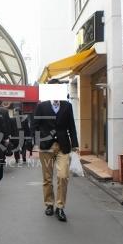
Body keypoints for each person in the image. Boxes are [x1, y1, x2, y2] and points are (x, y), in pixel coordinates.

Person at [32, 79, 79, 222]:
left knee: (63, 176)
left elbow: (71, 126)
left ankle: (60, 207)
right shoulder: (41, 106)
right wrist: (36, 143)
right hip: (46, 147)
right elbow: (35, 125)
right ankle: (49, 204)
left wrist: (75, 145)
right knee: (47, 178)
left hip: (63, 146)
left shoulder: (67, 106)